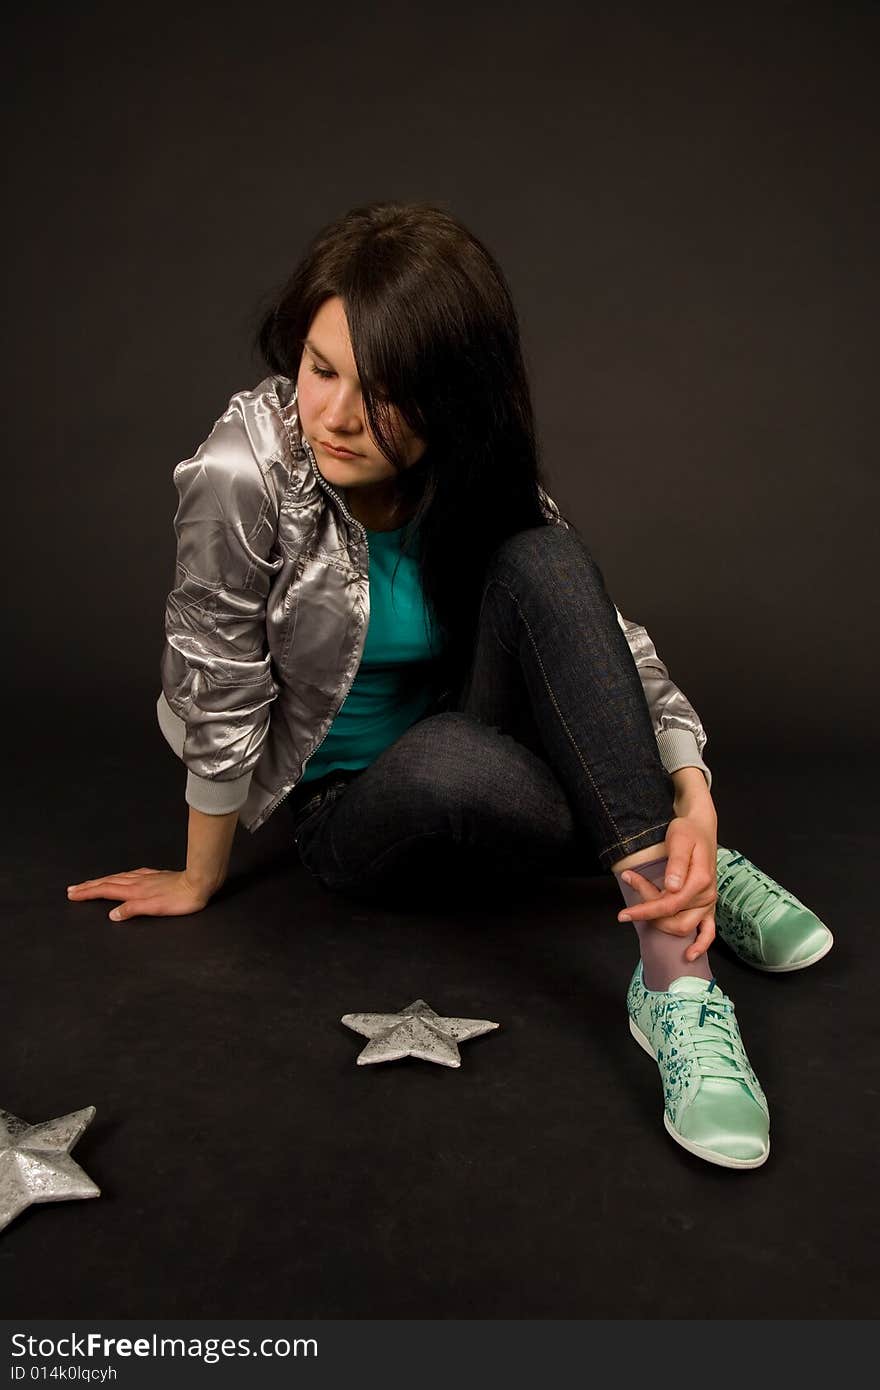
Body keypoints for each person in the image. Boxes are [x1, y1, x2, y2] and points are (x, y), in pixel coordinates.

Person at [67, 201, 832, 1170]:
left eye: (384, 391)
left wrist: (693, 792)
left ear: (452, 399)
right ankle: (675, 873)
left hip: (483, 731)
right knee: (449, 760)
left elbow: (602, 641)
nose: (337, 416)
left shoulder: (473, 473)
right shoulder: (245, 470)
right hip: (358, 810)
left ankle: (674, 979)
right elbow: (213, 666)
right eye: (321, 366)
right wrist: (200, 871)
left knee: (547, 561)